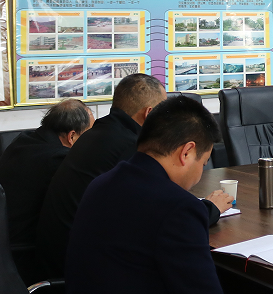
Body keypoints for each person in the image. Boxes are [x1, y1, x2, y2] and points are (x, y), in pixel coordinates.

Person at [61, 96, 237, 294]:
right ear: (187, 152)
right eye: (203, 163)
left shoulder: (103, 183)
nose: (200, 172)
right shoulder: (178, 208)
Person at [36, 74, 230, 277]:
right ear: (150, 114)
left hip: (61, 255)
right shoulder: (132, 148)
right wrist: (210, 209)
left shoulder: (97, 132)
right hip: (81, 269)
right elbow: (163, 213)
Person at [0, 99, 94, 281]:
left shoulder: (25, 139)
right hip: (24, 252)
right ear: (72, 137)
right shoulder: (58, 159)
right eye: (90, 134)